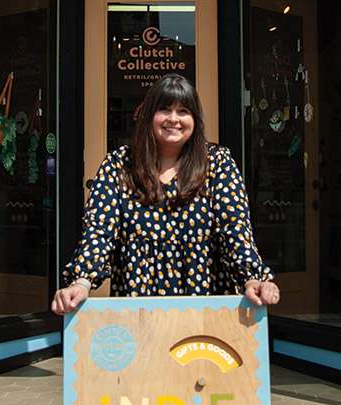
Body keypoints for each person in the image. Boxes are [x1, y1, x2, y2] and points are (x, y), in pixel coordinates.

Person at [52, 73, 280, 315]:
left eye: (183, 111)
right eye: (164, 110)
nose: (174, 119)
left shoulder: (217, 162)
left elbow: (235, 228)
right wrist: (82, 282)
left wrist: (252, 278)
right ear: (149, 115)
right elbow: (100, 232)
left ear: (195, 118)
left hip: (203, 306)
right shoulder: (118, 164)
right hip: (138, 306)